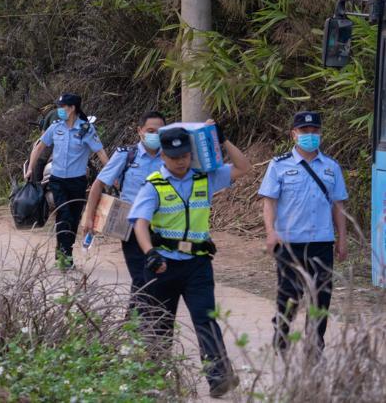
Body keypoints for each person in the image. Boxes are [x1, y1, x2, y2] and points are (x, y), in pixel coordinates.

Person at [129, 123, 251, 398]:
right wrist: (149, 253)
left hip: (197, 264)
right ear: (163, 157)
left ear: (190, 153)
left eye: (184, 155)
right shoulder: (154, 186)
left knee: (205, 319)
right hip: (163, 266)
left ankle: (219, 376)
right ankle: (155, 380)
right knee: (160, 323)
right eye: (173, 157)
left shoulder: (204, 178)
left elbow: (244, 168)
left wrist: (224, 138)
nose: (180, 161)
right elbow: (140, 224)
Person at [259, 111, 348, 353]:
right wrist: (270, 232)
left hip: (322, 241)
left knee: (321, 296)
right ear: (294, 134)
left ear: (320, 133)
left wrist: (342, 239)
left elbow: (339, 205)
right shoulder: (279, 165)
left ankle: (314, 344)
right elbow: (269, 202)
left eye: (314, 131)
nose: (310, 136)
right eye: (305, 131)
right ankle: (282, 332)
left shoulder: (332, 167)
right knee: (290, 295)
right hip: (289, 243)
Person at [80, 111, 167, 308]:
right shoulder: (126, 155)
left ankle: (136, 326)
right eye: (150, 131)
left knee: (155, 279)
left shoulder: (171, 158)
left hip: (162, 226)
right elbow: (98, 185)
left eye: (160, 131)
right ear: (140, 131)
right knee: (141, 277)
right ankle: (135, 328)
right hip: (131, 226)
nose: (155, 135)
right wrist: (89, 218)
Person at [25, 93, 110, 268]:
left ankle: (64, 252)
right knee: (64, 216)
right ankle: (64, 258)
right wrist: (31, 168)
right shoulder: (56, 127)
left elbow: (100, 152)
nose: (59, 110)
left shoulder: (86, 129)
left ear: (72, 108)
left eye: (62, 107)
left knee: (73, 219)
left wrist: (111, 174)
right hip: (57, 181)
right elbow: (39, 146)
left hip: (77, 182)